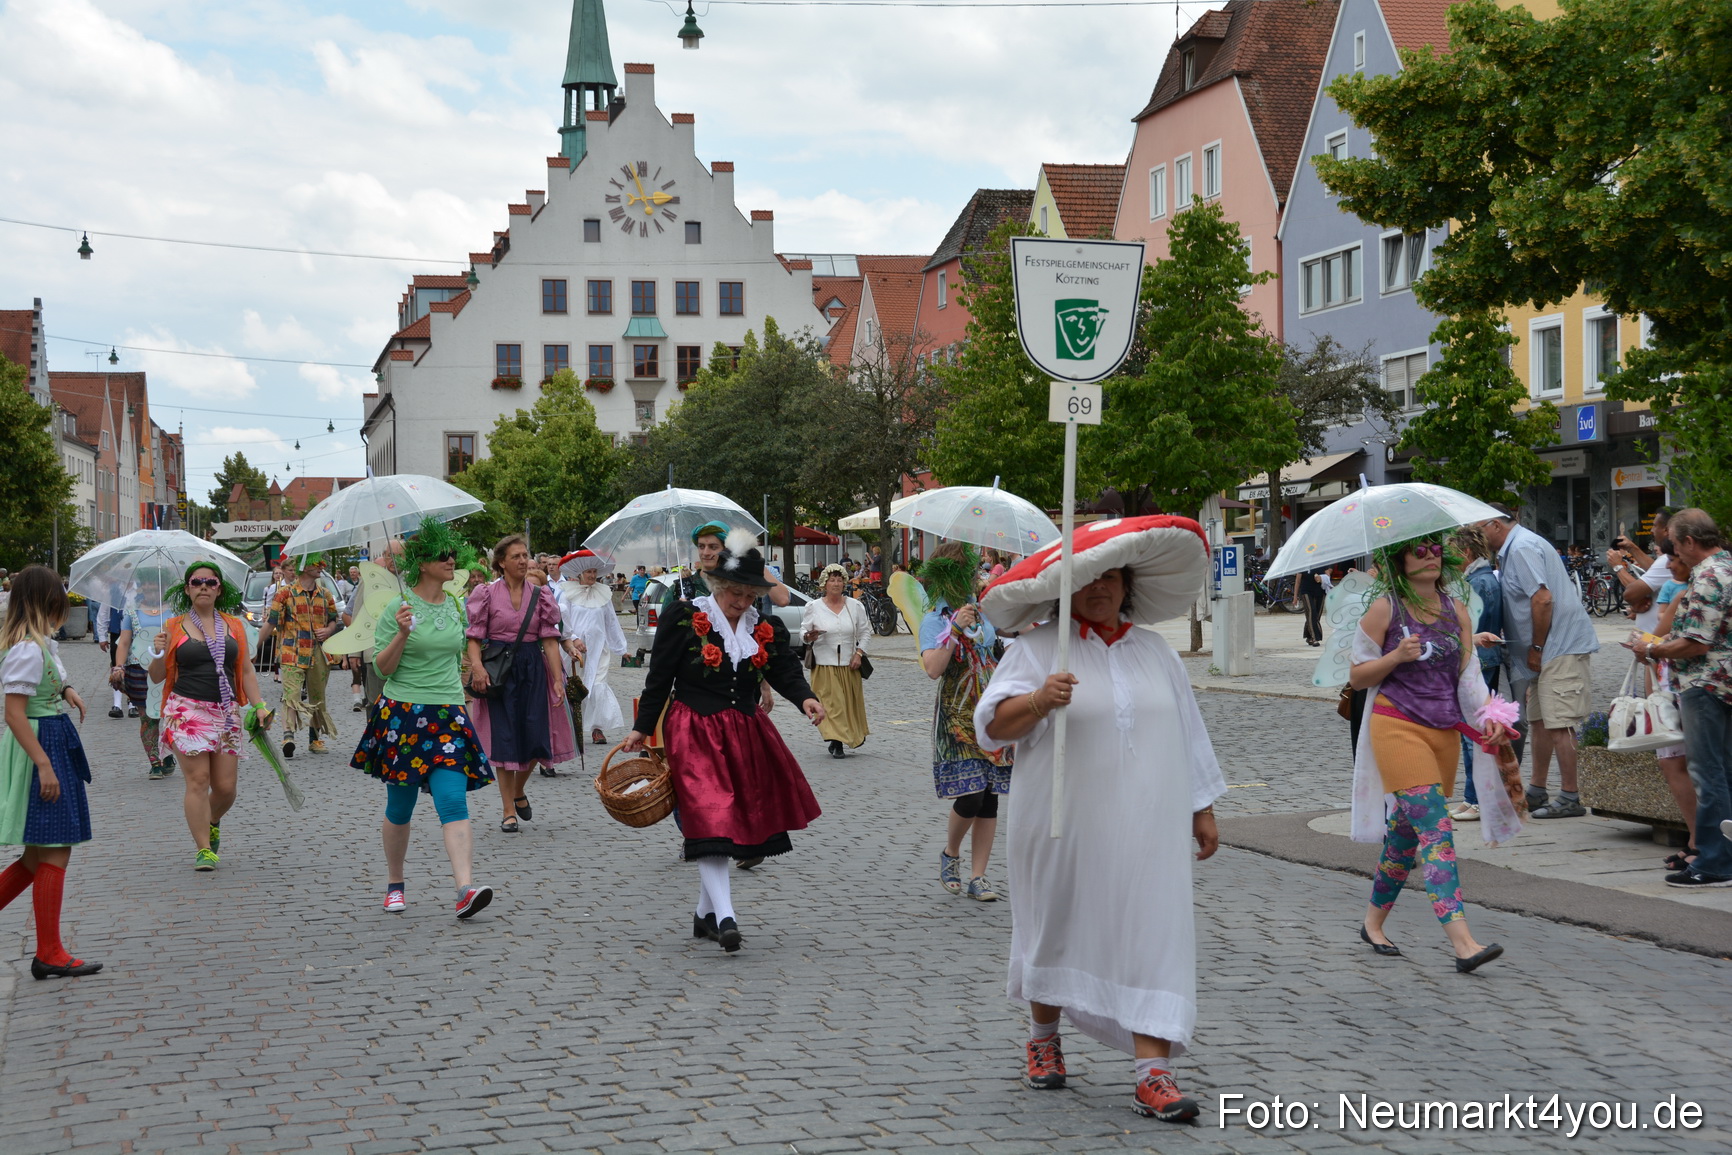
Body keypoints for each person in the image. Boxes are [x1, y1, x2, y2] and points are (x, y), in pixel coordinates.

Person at [975, 561, 1224, 1123]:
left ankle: (1152, 1074)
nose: (1099, 588)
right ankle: (1043, 1037)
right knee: (1056, 922)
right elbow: (992, 726)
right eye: (1085, 580)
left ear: (1127, 586)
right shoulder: (1039, 647)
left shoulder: (1157, 651)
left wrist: (1201, 805)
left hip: (1149, 826)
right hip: (1064, 821)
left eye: (1110, 578)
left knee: (1152, 929)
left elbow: (1189, 729)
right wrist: (1039, 700)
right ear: (1064, 592)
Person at [622, 533, 825, 953]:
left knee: (730, 818)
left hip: (745, 729)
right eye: (736, 592)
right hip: (693, 727)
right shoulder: (683, 617)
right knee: (710, 817)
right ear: (717, 586)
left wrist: (806, 698)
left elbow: (785, 669)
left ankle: (704, 915)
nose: (743, 601)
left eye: (751, 594)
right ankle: (727, 917)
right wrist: (642, 729)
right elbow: (659, 679)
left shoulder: (761, 627)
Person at [1347, 532, 1515, 970]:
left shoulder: (1455, 610)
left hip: (1442, 732)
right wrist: (1395, 657)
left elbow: (1467, 676)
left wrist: (1491, 717)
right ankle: (1464, 943)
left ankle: (1372, 923)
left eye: (1436, 549)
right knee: (1436, 834)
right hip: (1396, 726)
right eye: (1419, 550)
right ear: (1400, 560)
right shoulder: (1385, 608)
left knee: (1404, 839)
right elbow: (1359, 676)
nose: (1431, 556)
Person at [352, 519, 496, 917]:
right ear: (422, 563)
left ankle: (465, 888)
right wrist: (400, 633)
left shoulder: (453, 605)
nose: (450, 559)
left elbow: (456, 655)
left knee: (452, 801)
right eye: (441, 554)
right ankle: (395, 883)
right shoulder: (396, 610)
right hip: (404, 715)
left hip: (448, 714)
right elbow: (381, 669)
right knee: (401, 806)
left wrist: (468, 679)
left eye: (451, 553)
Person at [0, 565, 101, 979]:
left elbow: (47, 681)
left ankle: (50, 950)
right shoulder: (27, 648)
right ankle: (49, 952)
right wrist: (43, 763)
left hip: (51, 739)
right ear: (48, 599)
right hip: (42, 745)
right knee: (55, 848)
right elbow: (13, 713)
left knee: (35, 857)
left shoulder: (39, 644)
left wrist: (67, 690)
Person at [1630, 509, 1732, 888]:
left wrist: (1652, 650)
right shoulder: (1728, 566)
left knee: (1708, 774)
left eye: (1674, 545)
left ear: (1690, 542)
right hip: (1722, 682)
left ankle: (1716, 862)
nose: (1673, 554)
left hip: (1706, 684)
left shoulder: (1709, 576)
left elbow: (1694, 643)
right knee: (1723, 771)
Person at [1477, 505, 1600, 818]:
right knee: (1541, 721)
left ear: (1494, 524)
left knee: (1560, 723)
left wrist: (1536, 646)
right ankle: (1537, 790)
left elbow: (1542, 598)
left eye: (1479, 527)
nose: (1477, 535)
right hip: (1547, 649)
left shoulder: (1522, 547)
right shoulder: (1512, 549)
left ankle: (1571, 796)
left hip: (1557, 647)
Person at [149, 562, 269, 871]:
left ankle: (211, 820)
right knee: (198, 780)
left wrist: (258, 706)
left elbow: (245, 670)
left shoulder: (234, 625)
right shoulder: (173, 626)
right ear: (187, 589)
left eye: (210, 582)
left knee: (226, 788)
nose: (204, 586)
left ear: (219, 589)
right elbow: (156, 677)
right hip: (185, 709)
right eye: (197, 581)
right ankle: (203, 849)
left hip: (226, 711)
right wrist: (158, 652)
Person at [919, 543, 1011, 900]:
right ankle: (951, 853)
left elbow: (997, 654)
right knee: (971, 794)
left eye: (972, 575)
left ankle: (979, 876)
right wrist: (955, 629)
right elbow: (932, 669)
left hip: (990, 710)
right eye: (963, 576)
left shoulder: (984, 614)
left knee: (989, 796)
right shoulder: (935, 619)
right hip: (958, 714)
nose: (970, 581)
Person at [465, 534, 572, 832]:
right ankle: (507, 809)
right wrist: (477, 668)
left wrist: (556, 680)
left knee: (537, 738)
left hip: (532, 668)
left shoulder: (541, 595)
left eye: (526, 555)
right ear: (501, 563)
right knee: (505, 738)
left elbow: (550, 641)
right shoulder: (485, 593)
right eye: (517, 556)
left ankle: (517, 790)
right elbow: (474, 638)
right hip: (499, 670)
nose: (524, 561)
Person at [1448, 526, 1506, 822]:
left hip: (1477, 660)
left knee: (1473, 732)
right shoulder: (1483, 579)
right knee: (1473, 731)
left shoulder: (1477, 583)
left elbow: (1469, 627)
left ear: (1466, 553)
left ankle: (1477, 799)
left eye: (1453, 552)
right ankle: (1473, 796)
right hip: (1483, 658)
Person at [257, 555, 341, 758]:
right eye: (316, 564)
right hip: (291, 651)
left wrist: (328, 631)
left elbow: (333, 621)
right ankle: (288, 736)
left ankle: (314, 739)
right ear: (304, 567)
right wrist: (253, 647)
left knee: (317, 697)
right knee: (291, 694)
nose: (322, 567)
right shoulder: (284, 594)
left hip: (319, 653)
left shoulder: (326, 595)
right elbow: (271, 623)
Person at [1648, 551, 1697, 867]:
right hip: (1681, 684)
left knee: (1680, 762)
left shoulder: (1685, 594)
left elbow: (1657, 635)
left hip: (1686, 685)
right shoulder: (1684, 592)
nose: (1668, 564)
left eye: (1675, 556)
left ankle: (1699, 841)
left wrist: (1647, 647)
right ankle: (1697, 840)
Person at [556, 551, 626, 748]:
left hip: (598, 648)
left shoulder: (603, 593)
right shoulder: (567, 592)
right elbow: (563, 618)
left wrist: (621, 647)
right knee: (574, 685)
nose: (592, 575)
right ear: (580, 573)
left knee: (597, 684)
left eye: (595, 571)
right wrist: (574, 639)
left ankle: (597, 728)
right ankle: (570, 726)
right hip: (573, 649)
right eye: (589, 571)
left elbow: (611, 622)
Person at [801, 563, 871, 759]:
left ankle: (835, 739)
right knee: (833, 706)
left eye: (839, 580)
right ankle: (838, 742)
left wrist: (859, 654)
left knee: (847, 706)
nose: (836, 583)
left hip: (849, 665)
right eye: (832, 580)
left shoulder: (855, 606)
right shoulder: (813, 607)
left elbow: (866, 633)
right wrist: (809, 636)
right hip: (824, 665)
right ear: (824, 583)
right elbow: (802, 632)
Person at [110, 579, 174, 780]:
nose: (150, 587)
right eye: (146, 584)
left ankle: (168, 752)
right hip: (139, 670)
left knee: (172, 716)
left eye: (154, 584)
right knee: (148, 718)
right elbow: (124, 642)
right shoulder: (132, 611)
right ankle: (155, 761)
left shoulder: (176, 611)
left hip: (170, 669)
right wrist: (119, 666)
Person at [1609, 509, 1677, 634]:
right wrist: (1632, 547)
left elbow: (1631, 593)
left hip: (1657, 643)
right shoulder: (1668, 560)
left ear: (1667, 530)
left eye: (1655, 526)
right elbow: (1654, 570)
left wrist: (1617, 567)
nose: (1651, 530)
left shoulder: (1668, 560)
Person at [1297, 567, 1327, 647]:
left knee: (1316, 615)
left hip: (1320, 591)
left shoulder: (1323, 563)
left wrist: (1321, 578)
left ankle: (1309, 636)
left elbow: (1327, 577)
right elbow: (1298, 581)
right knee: (1311, 612)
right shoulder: (1303, 564)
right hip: (1306, 591)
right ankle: (1315, 638)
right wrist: (1295, 596)